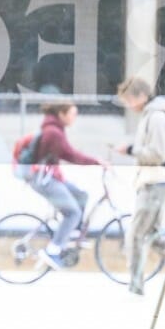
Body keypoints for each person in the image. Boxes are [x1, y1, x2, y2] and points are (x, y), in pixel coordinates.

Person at [114, 77, 165, 296]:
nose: (129, 105)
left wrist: (131, 150)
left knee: (136, 235)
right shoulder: (152, 116)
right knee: (151, 236)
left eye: (129, 100)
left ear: (141, 96)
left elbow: (158, 153)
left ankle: (135, 287)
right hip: (154, 182)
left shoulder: (156, 118)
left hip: (155, 183)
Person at [26, 102, 106, 270]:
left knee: (81, 195)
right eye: (72, 114)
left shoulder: (54, 129)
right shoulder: (53, 132)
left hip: (49, 177)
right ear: (61, 114)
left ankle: (74, 232)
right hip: (45, 180)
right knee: (72, 212)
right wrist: (96, 161)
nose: (74, 118)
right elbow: (70, 155)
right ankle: (53, 250)